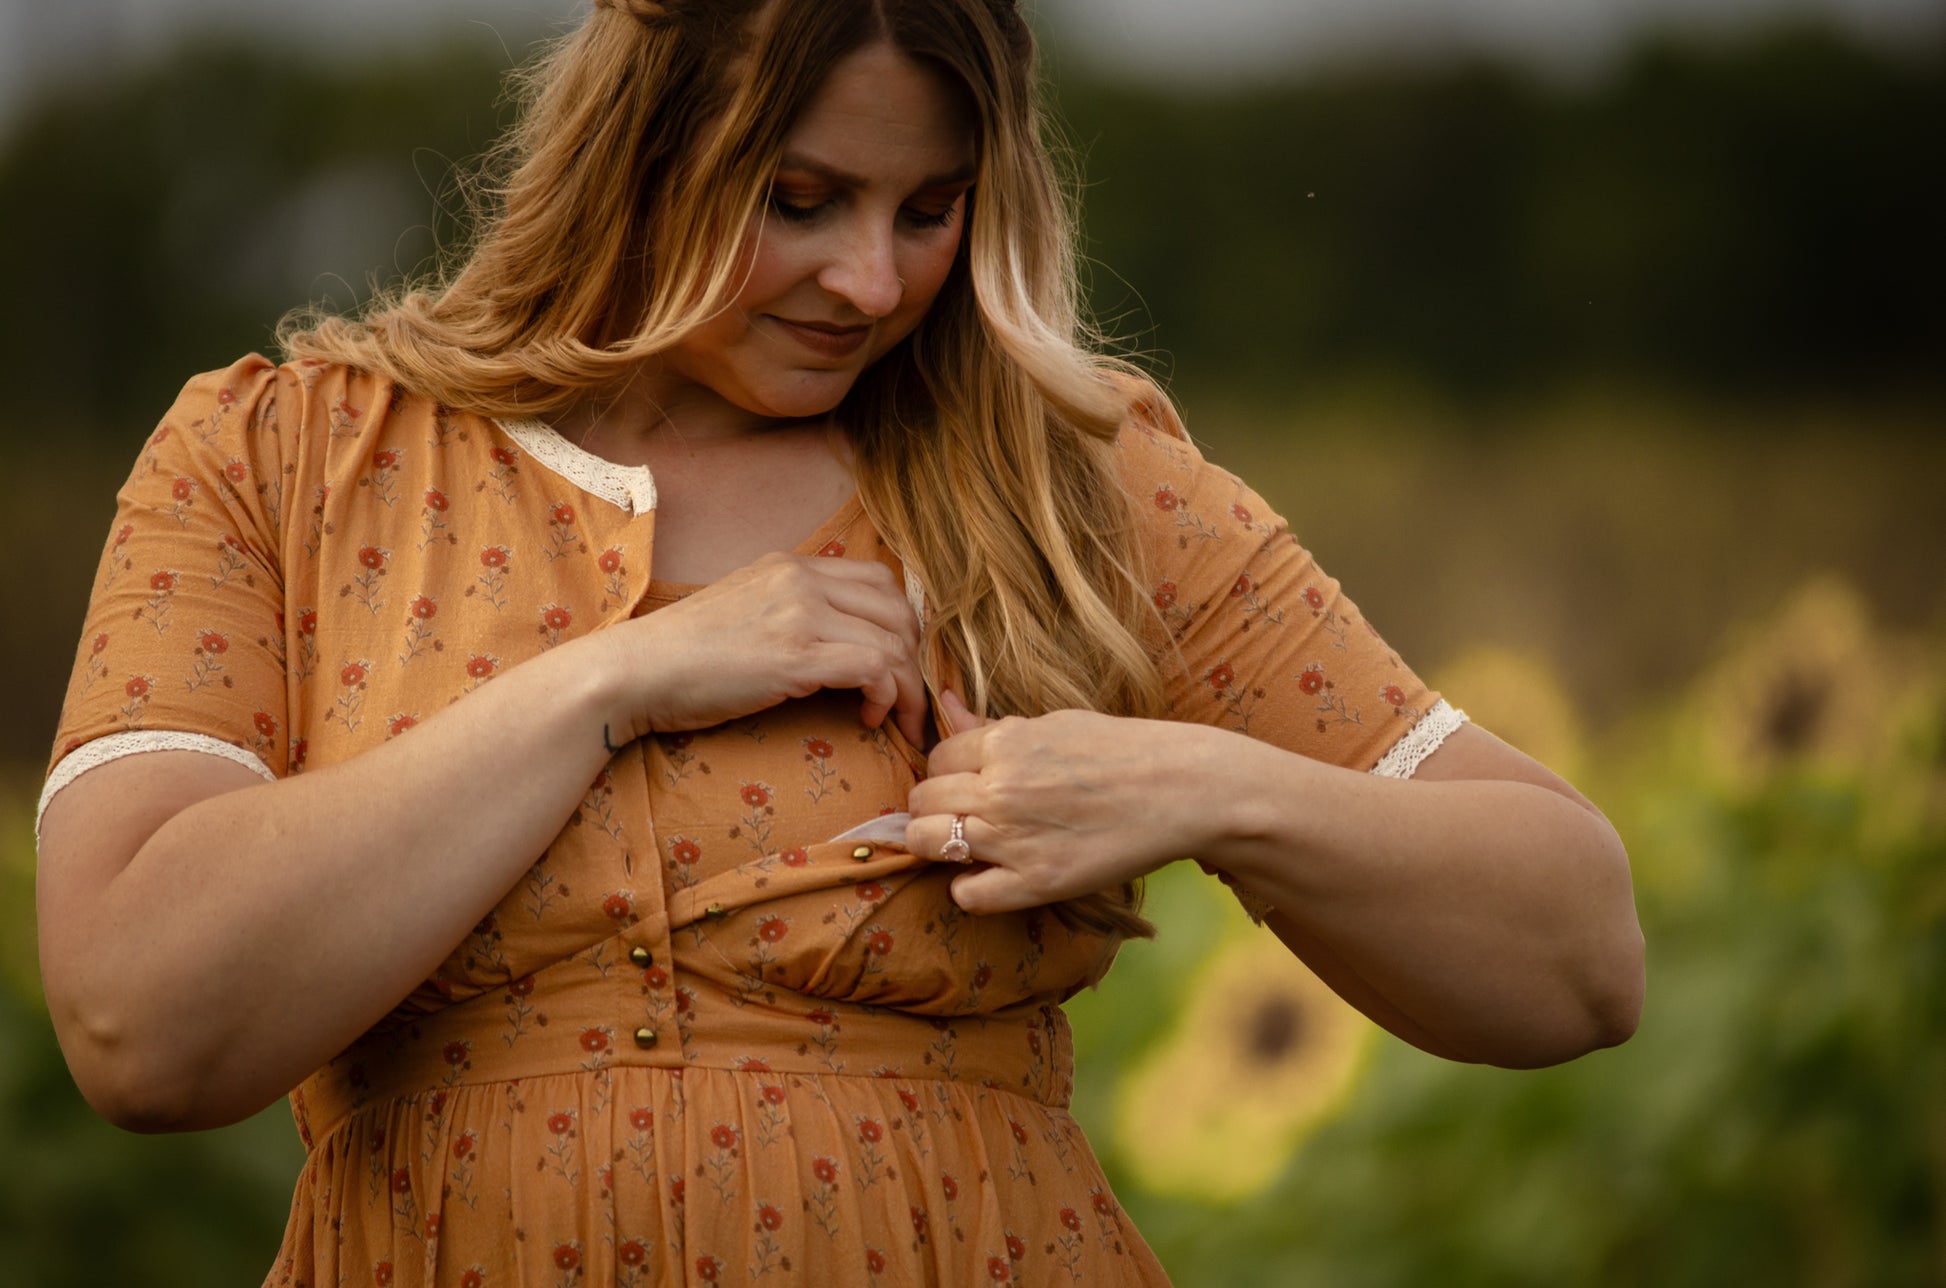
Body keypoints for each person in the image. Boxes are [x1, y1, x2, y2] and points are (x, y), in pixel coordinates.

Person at [35, 0, 1644, 1283]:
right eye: (797, 200)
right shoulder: (288, 461)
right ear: (636, 148)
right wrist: (609, 682)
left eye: (928, 209)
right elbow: (139, 1024)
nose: (869, 281)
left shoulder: (1072, 492)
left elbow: (1575, 954)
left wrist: (1213, 789)